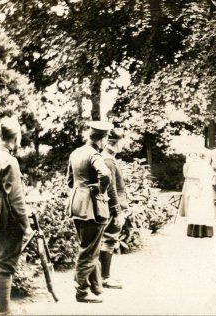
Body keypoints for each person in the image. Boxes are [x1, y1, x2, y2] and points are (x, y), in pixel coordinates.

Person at [0, 117, 33, 315]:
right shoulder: (9, 161)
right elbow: (16, 198)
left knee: (0, 260)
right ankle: (3, 312)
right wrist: (26, 225)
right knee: (6, 265)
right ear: (16, 137)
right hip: (8, 218)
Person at [67, 121, 113, 303]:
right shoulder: (94, 155)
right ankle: (81, 291)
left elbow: (70, 181)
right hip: (93, 208)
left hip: (76, 206)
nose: (106, 143)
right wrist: (99, 189)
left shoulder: (75, 153)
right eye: (106, 139)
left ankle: (96, 286)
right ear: (101, 139)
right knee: (89, 251)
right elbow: (106, 175)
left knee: (87, 245)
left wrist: (83, 187)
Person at [99, 128, 127, 289]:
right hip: (111, 207)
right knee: (109, 239)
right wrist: (117, 212)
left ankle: (102, 276)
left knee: (108, 239)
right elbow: (111, 189)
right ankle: (105, 278)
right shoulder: (108, 160)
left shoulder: (108, 158)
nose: (123, 144)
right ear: (113, 143)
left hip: (110, 206)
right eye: (121, 141)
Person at [186, 150, 215, 238]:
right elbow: (190, 177)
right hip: (199, 189)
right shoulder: (196, 166)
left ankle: (201, 231)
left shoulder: (207, 167)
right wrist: (198, 185)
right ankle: (198, 231)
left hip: (205, 190)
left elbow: (211, 177)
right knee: (198, 208)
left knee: (202, 209)